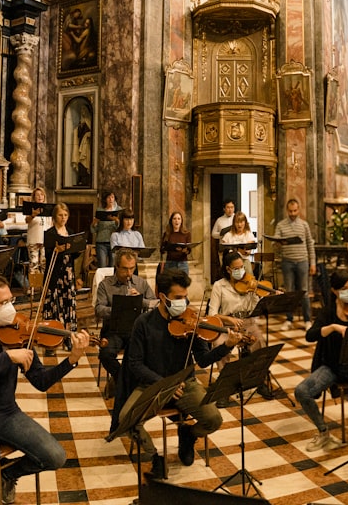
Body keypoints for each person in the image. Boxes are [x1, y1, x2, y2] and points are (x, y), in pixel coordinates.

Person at [0, 275, 89, 505]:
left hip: (6, 413)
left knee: (55, 456)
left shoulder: (15, 335)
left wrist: (72, 359)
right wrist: (6, 358)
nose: (11, 308)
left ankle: (7, 474)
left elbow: (41, 381)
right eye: (4, 303)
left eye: (11, 300)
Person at [120, 269, 240, 476]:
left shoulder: (191, 322)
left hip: (186, 384)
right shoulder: (144, 323)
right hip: (152, 384)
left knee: (213, 419)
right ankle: (154, 456)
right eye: (178, 298)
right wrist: (164, 385)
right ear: (162, 296)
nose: (183, 303)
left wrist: (226, 346)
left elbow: (202, 359)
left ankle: (188, 435)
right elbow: (135, 364)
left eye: (185, 298)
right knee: (126, 418)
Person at [294, 269, 348, 451]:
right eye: (346, 288)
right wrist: (333, 327)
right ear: (335, 291)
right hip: (333, 366)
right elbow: (310, 336)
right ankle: (323, 431)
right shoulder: (328, 313)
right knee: (302, 391)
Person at [208, 252, 269, 398]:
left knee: (260, 343)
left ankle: (259, 381)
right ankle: (225, 387)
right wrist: (229, 320)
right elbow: (212, 314)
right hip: (226, 326)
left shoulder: (249, 283)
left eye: (242, 267)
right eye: (237, 268)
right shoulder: (219, 286)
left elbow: (256, 309)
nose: (241, 271)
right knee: (219, 345)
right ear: (228, 269)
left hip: (247, 322)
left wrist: (258, 294)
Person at [94, 249, 155, 393]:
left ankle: (122, 382)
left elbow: (155, 304)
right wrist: (119, 307)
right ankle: (124, 380)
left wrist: (140, 300)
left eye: (132, 268)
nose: (129, 273)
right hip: (114, 331)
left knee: (152, 351)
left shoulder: (141, 283)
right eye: (125, 269)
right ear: (117, 267)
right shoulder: (105, 285)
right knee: (105, 354)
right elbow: (98, 309)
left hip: (136, 330)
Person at [274, 198, 317, 331]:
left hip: (302, 261)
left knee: (304, 291)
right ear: (287, 210)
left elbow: (310, 244)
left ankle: (307, 320)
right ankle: (289, 319)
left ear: (299, 210)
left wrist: (313, 263)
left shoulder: (304, 225)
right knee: (290, 292)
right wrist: (278, 243)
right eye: (290, 211)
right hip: (287, 261)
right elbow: (274, 242)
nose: (293, 213)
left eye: (295, 210)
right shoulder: (281, 225)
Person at [44, 203, 80, 329]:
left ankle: (69, 335)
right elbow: (48, 255)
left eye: (65, 215)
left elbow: (73, 256)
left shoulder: (70, 232)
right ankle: (55, 334)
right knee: (56, 304)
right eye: (60, 215)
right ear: (55, 217)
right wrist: (58, 250)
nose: (63, 218)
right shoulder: (49, 233)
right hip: (55, 274)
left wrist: (77, 249)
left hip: (68, 274)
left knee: (68, 304)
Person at [91, 191, 121, 268]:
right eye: (108, 197)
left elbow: (121, 230)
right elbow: (93, 230)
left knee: (113, 266)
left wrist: (117, 222)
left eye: (112, 197)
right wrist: (94, 224)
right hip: (101, 242)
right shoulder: (100, 210)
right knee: (102, 266)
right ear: (105, 199)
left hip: (114, 243)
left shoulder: (119, 210)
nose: (110, 199)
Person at [25, 187, 52, 271]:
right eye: (37, 195)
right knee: (34, 263)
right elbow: (27, 220)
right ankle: (33, 284)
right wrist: (33, 215)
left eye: (42, 195)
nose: (40, 197)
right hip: (34, 240)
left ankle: (43, 283)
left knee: (44, 263)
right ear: (34, 197)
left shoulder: (48, 208)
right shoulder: (30, 208)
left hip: (45, 240)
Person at [159, 210, 191, 278]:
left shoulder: (186, 234)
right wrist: (168, 247)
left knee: (182, 287)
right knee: (170, 286)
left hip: (182, 264)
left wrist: (185, 250)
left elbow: (189, 249)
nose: (177, 221)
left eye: (179, 219)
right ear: (171, 221)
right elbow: (162, 250)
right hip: (170, 263)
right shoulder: (167, 234)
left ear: (181, 221)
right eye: (174, 218)